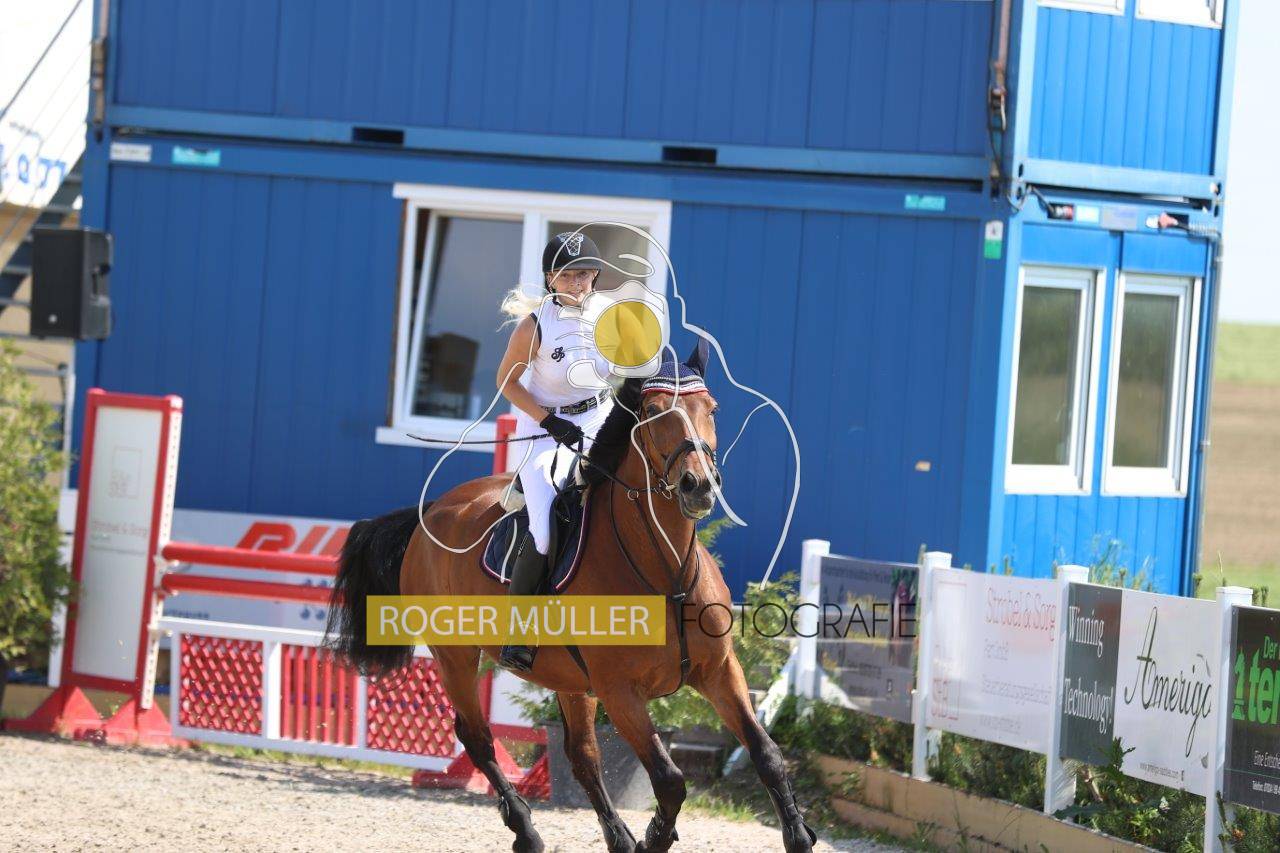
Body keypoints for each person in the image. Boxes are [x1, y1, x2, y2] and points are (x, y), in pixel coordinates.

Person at [493, 231, 616, 672]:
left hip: (601, 417)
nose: (577, 284)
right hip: (546, 427)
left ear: (595, 276)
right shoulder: (535, 326)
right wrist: (548, 421)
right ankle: (519, 635)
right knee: (544, 527)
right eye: (567, 276)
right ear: (551, 279)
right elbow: (506, 383)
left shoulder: (611, 314)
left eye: (584, 274)